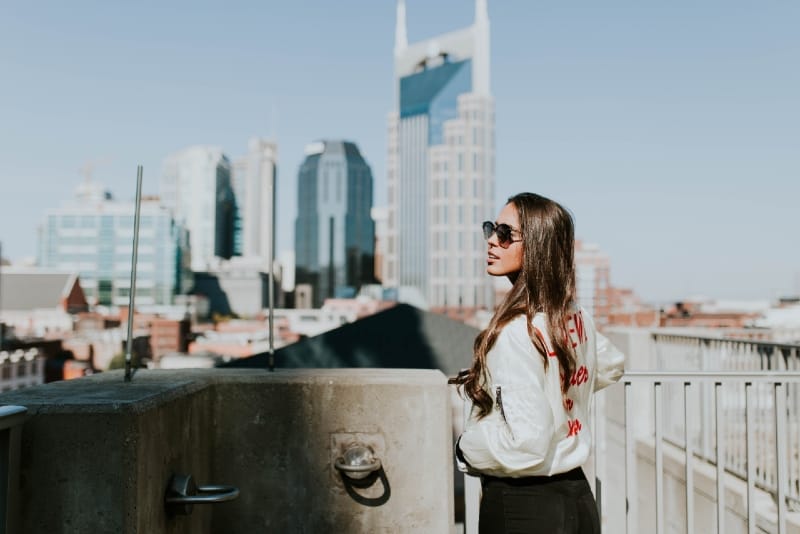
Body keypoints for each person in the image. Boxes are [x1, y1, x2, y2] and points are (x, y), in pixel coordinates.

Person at [451, 192, 625, 534]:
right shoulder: (572, 315)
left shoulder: (516, 331)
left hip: (524, 505)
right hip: (577, 499)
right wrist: (559, 392)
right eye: (492, 228)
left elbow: (526, 444)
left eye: (504, 233)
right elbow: (610, 364)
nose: (491, 240)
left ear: (537, 246)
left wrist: (466, 446)